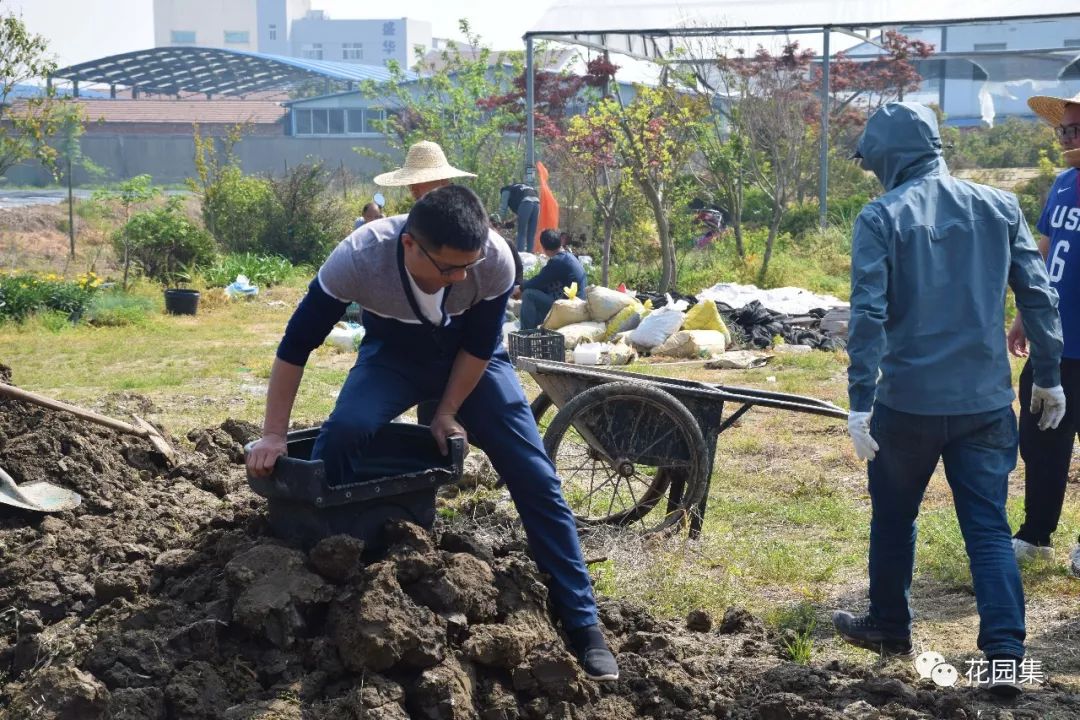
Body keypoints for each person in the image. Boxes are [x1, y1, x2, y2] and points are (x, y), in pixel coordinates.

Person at [245, 185, 619, 682]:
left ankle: (583, 622)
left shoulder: (495, 259)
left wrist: (445, 412)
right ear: (409, 245)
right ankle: (322, 579)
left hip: (474, 364)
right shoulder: (359, 258)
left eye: (469, 265)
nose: (460, 277)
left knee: (534, 474)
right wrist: (273, 434)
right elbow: (296, 345)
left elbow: (482, 345)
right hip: (393, 358)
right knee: (342, 438)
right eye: (448, 268)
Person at [835, 102, 1065, 697]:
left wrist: (861, 400)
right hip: (985, 405)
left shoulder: (881, 216)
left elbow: (868, 315)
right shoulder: (999, 205)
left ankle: (889, 626)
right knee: (988, 528)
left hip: (906, 405)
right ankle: (1006, 658)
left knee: (894, 517)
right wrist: (1049, 375)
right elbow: (1037, 297)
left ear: (887, 156)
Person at [1007, 91, 1080, 574]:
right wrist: (1023, 311)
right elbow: (1047, 246)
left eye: (1075, 129)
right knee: (1040, 440)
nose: (1068, 137)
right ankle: (1037, 535)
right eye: (1064, 130)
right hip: (1054, 340)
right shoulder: (1064, 182)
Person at [518, 229, 587, 330]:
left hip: (569, 307)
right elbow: (542, 282)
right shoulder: (567, 257)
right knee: (535, 299)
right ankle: (537, 331)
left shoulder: (557, 261)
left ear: (545, 249)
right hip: (575, 305)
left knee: (528, 294)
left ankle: (526, 334)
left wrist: (520, 288)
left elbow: (539, 281)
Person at [499, 180, 540, 253]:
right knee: (531, 234)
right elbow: (523, 213)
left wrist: (501, 223)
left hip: (526, 203)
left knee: (521, 233)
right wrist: (512, 221)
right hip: (537, 203)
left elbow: (503, 208)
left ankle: (521, 256)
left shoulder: (505, 190)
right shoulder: (520, 187)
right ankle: (530, 257)